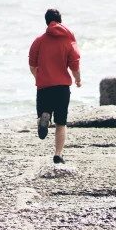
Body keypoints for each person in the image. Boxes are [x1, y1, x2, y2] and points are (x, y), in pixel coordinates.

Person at [28, 9, 81, 164]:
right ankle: (58, 154)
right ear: (60, 21)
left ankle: (44, 117)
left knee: (42, 115)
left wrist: (39, 77)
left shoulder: (38, 41)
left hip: (44, 86)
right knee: (61, 122)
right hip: (62, 87)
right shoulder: (68, 41)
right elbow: (75, 64)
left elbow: (32, 64)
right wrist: (77, 80)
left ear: (46, 21)